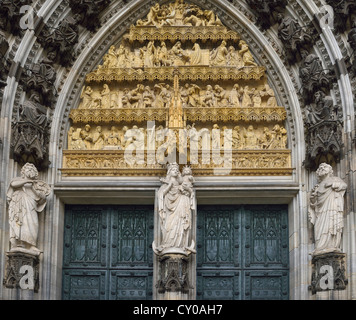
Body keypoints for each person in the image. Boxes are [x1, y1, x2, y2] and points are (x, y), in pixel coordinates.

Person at [7, 163, 51, 254]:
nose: (30, 171)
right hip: (18, 207)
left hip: (31, 208)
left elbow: (43, 196)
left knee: (33, 224)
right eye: (28, 169)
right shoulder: (18, 180)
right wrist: (27, 181)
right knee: (18, 223)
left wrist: (34, 187)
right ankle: (18, 243)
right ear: (23, 171)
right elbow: (13, 184)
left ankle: (31, 245)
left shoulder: (37, 185)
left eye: (32, 170)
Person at [154, 163, 196, 255]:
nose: (176, 171)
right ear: (169, 171)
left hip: (181, 206)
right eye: (174, 169)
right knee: (169, 225)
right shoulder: (166, 184)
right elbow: (161, 194)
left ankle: (181, 245)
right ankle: (168, 244)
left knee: (181, 222)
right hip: (170, 210)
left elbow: (189, 193)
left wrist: (188, 190)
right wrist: (169, 185)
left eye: (177, 170)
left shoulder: (182, 184)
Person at [308, 163, 347, 255]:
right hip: (320, 212)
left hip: (332, 208)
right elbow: (314, 204)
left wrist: (333, 184)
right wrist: (313, 198)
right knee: (319, 228)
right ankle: (320, 247)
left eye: (324, 167)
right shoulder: (317, 186)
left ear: (330, 171)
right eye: (320, 168)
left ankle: (331, 246)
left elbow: (344, 186)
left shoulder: (335, 179)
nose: (321, 168)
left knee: (330, 225)